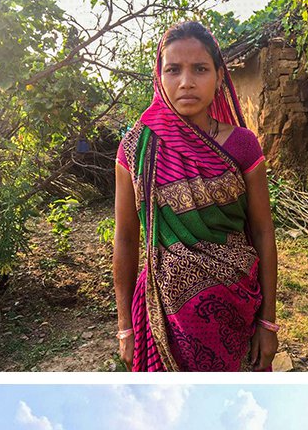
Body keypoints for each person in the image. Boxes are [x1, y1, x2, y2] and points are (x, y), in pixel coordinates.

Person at [113, 21, 279, 371]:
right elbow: (126, 238)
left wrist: (267, 322)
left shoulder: (242, 145)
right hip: (162, 316)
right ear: (159, 77)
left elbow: (263, 232)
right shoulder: (136, 148)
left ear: (220, 77)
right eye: (173, 70)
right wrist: (125, 327)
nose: (186, 82)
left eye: (200, 69)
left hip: (236, 308)